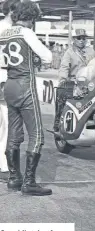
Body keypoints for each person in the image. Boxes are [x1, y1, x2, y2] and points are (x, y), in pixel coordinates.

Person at [0, 0, 53, 195]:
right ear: (30, 17)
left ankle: (14, 178)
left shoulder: (4, 33)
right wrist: (35, 56)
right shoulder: (27, 33)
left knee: (13, 134)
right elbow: (48, 57)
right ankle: (29, 182)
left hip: (9, 83)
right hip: (25, 84)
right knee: (37, 134)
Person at [54, 28, 95, 132]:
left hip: (89, 83)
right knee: (62, 95)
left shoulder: (91, 51)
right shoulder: (69, 52)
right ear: (74, 39)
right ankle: (59, 122)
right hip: (74, 82)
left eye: (83, 38)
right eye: (79, 38)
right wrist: (63, 79)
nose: (81, 40)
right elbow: (64, 67)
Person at [0, 0, 20, 175]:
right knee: (7, 121)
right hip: (4, 77)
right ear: (12, 10)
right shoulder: (10, 30)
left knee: (5, 122)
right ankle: (4, 162)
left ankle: (3, 160)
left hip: (6, 77)